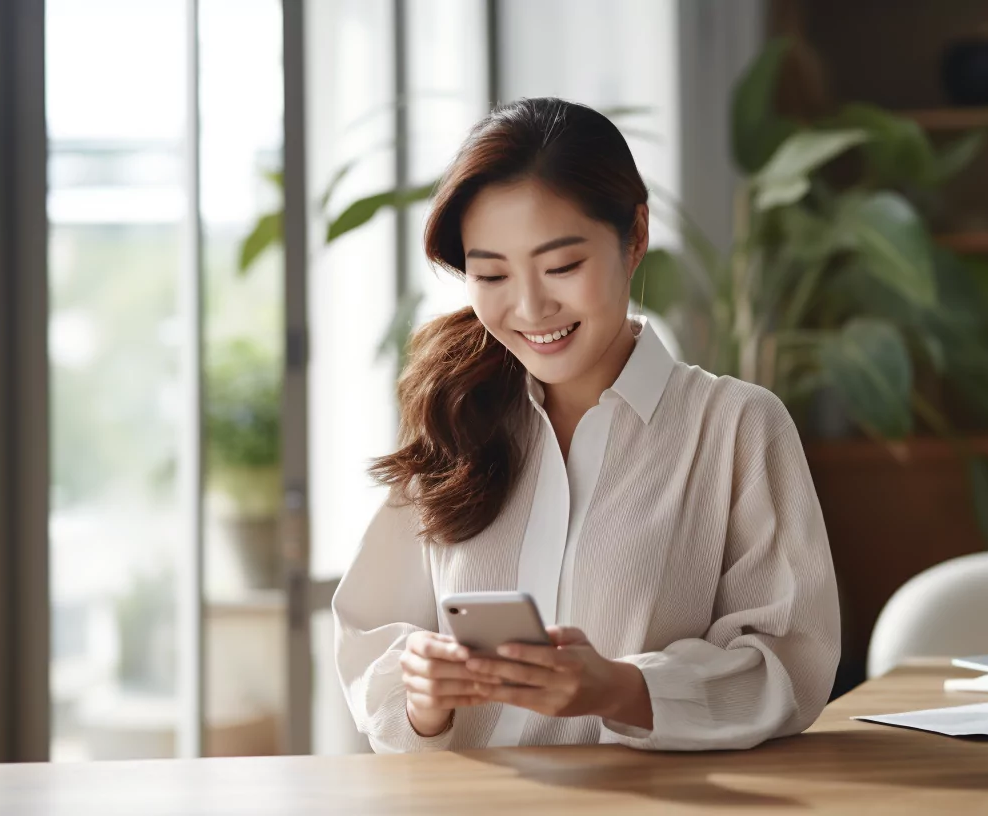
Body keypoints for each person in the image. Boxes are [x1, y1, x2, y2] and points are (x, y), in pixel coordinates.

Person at [332, 97, 839, 753]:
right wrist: (423, 698)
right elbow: (372, 640)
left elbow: (790, 665)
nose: (531, 306)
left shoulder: (735, 427)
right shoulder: (458, 413)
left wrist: (618, 688)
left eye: (562, 267)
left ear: (634, 238)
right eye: (491, 274)